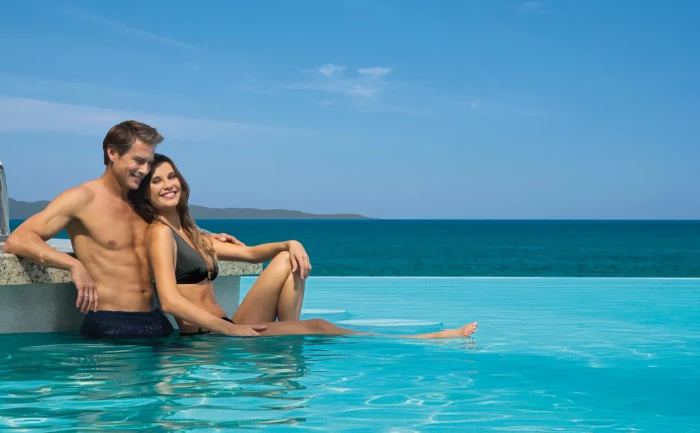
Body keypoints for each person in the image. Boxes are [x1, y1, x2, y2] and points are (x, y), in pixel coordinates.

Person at [130, 153, 479, 340]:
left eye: (171, 176)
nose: (167, 185)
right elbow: (171, 300)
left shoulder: (193, 233)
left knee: (285, 259)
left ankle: (285, 337)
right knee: (322, 326)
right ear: (146, 193)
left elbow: (251, 254)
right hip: (209, 338)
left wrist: (290, 242)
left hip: (227, 325)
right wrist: (230, 329)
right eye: (156, 181)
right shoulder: (160, 233)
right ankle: (423, 338)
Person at [2, 120, 260, 338]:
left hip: (156, 322)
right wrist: (73, 265)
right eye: (139, 161)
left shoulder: (141, 202)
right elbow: (20, 239)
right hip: (111, 324)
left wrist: (204, 237)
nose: (145, 170)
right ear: (112, 153)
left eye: (148, 162)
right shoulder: (81, 198)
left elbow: (173, 232)